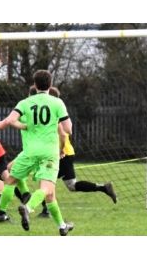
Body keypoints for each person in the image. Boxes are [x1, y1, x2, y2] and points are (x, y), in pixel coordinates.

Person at [0, 70, 75, 236]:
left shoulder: (25, 102)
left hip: (29, 152)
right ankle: (28, 207)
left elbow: (10, 120)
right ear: (50, 84)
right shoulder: (57, 102)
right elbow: (67, 130)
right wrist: (61, 147)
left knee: (11, 181)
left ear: (35, 84)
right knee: (46, 189)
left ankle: (61, 226)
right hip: (49, 153)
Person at [36, 86, 117, 217]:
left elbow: (65, 133)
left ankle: (46, 210)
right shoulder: (58, 112)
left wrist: (59, 150)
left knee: (46, 180)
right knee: (71, 185)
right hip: (66, 152)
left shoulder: (53, 114)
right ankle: (104, 187)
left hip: (60, 153)